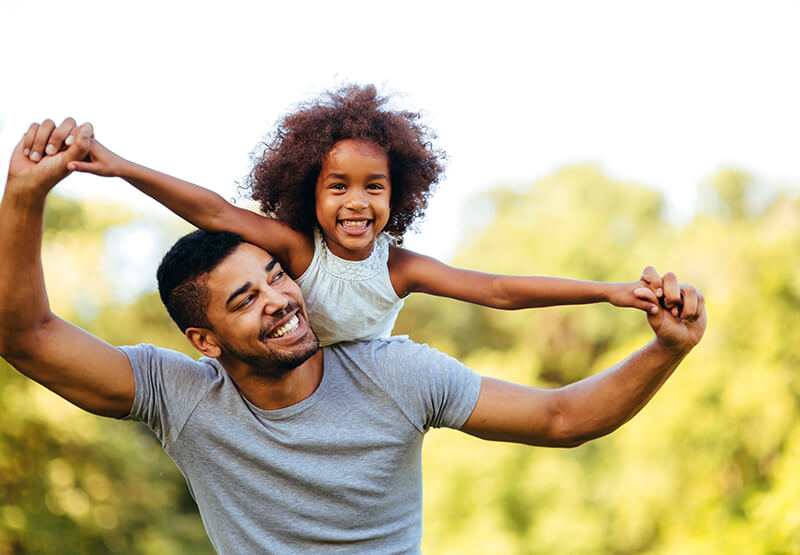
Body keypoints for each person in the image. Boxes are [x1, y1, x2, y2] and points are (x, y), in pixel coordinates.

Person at [1, 118, 706, 553]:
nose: (281, 298)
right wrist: (25, 198)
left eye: (277, 275)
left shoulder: (395, 373)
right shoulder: (180, 395)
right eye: (247, 298)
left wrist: (665, 347)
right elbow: (26, 333)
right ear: (205, 340)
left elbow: (563, 415)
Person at [51, 85, 665, 347]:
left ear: (398, 196)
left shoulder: (400, 268)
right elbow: (213, 209)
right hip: (284, 375)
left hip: (360, 392)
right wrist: (122, 167)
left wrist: (608, 292)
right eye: (338, 186)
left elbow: (499, 290)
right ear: (307, 192)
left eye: (375, 187)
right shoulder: (293, 252)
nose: (356, 202)